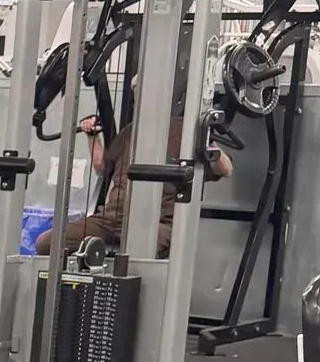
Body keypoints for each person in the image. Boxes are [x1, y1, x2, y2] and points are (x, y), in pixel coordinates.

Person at [32, 98, 230, 258]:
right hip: (111, 218)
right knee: (47, 243)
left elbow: (226, 169)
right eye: (137, 92)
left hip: (156, 222)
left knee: (138, 248)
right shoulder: (131, 130)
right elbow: (102, 169)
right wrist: (92, 136)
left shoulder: (186, 134)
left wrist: (206, 141)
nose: (138, 98)